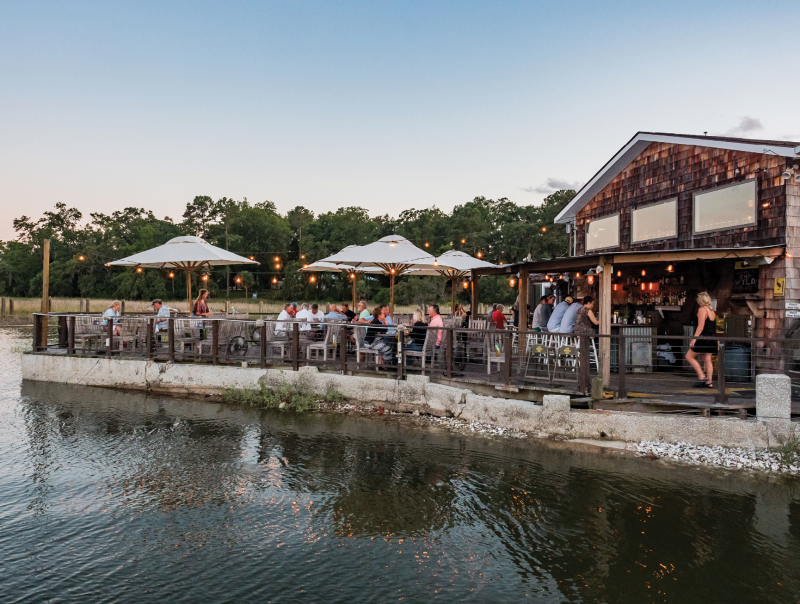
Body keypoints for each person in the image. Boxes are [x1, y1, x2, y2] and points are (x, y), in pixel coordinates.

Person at [686, 292, 717, 388]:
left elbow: (700, 326)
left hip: (703, 337)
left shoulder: (702, 310)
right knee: (708, 360)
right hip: (711, 337)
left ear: (700, 301)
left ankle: (702, 376)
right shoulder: (712, 311)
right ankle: (709, 382)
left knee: (689, 356)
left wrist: (694, 339)